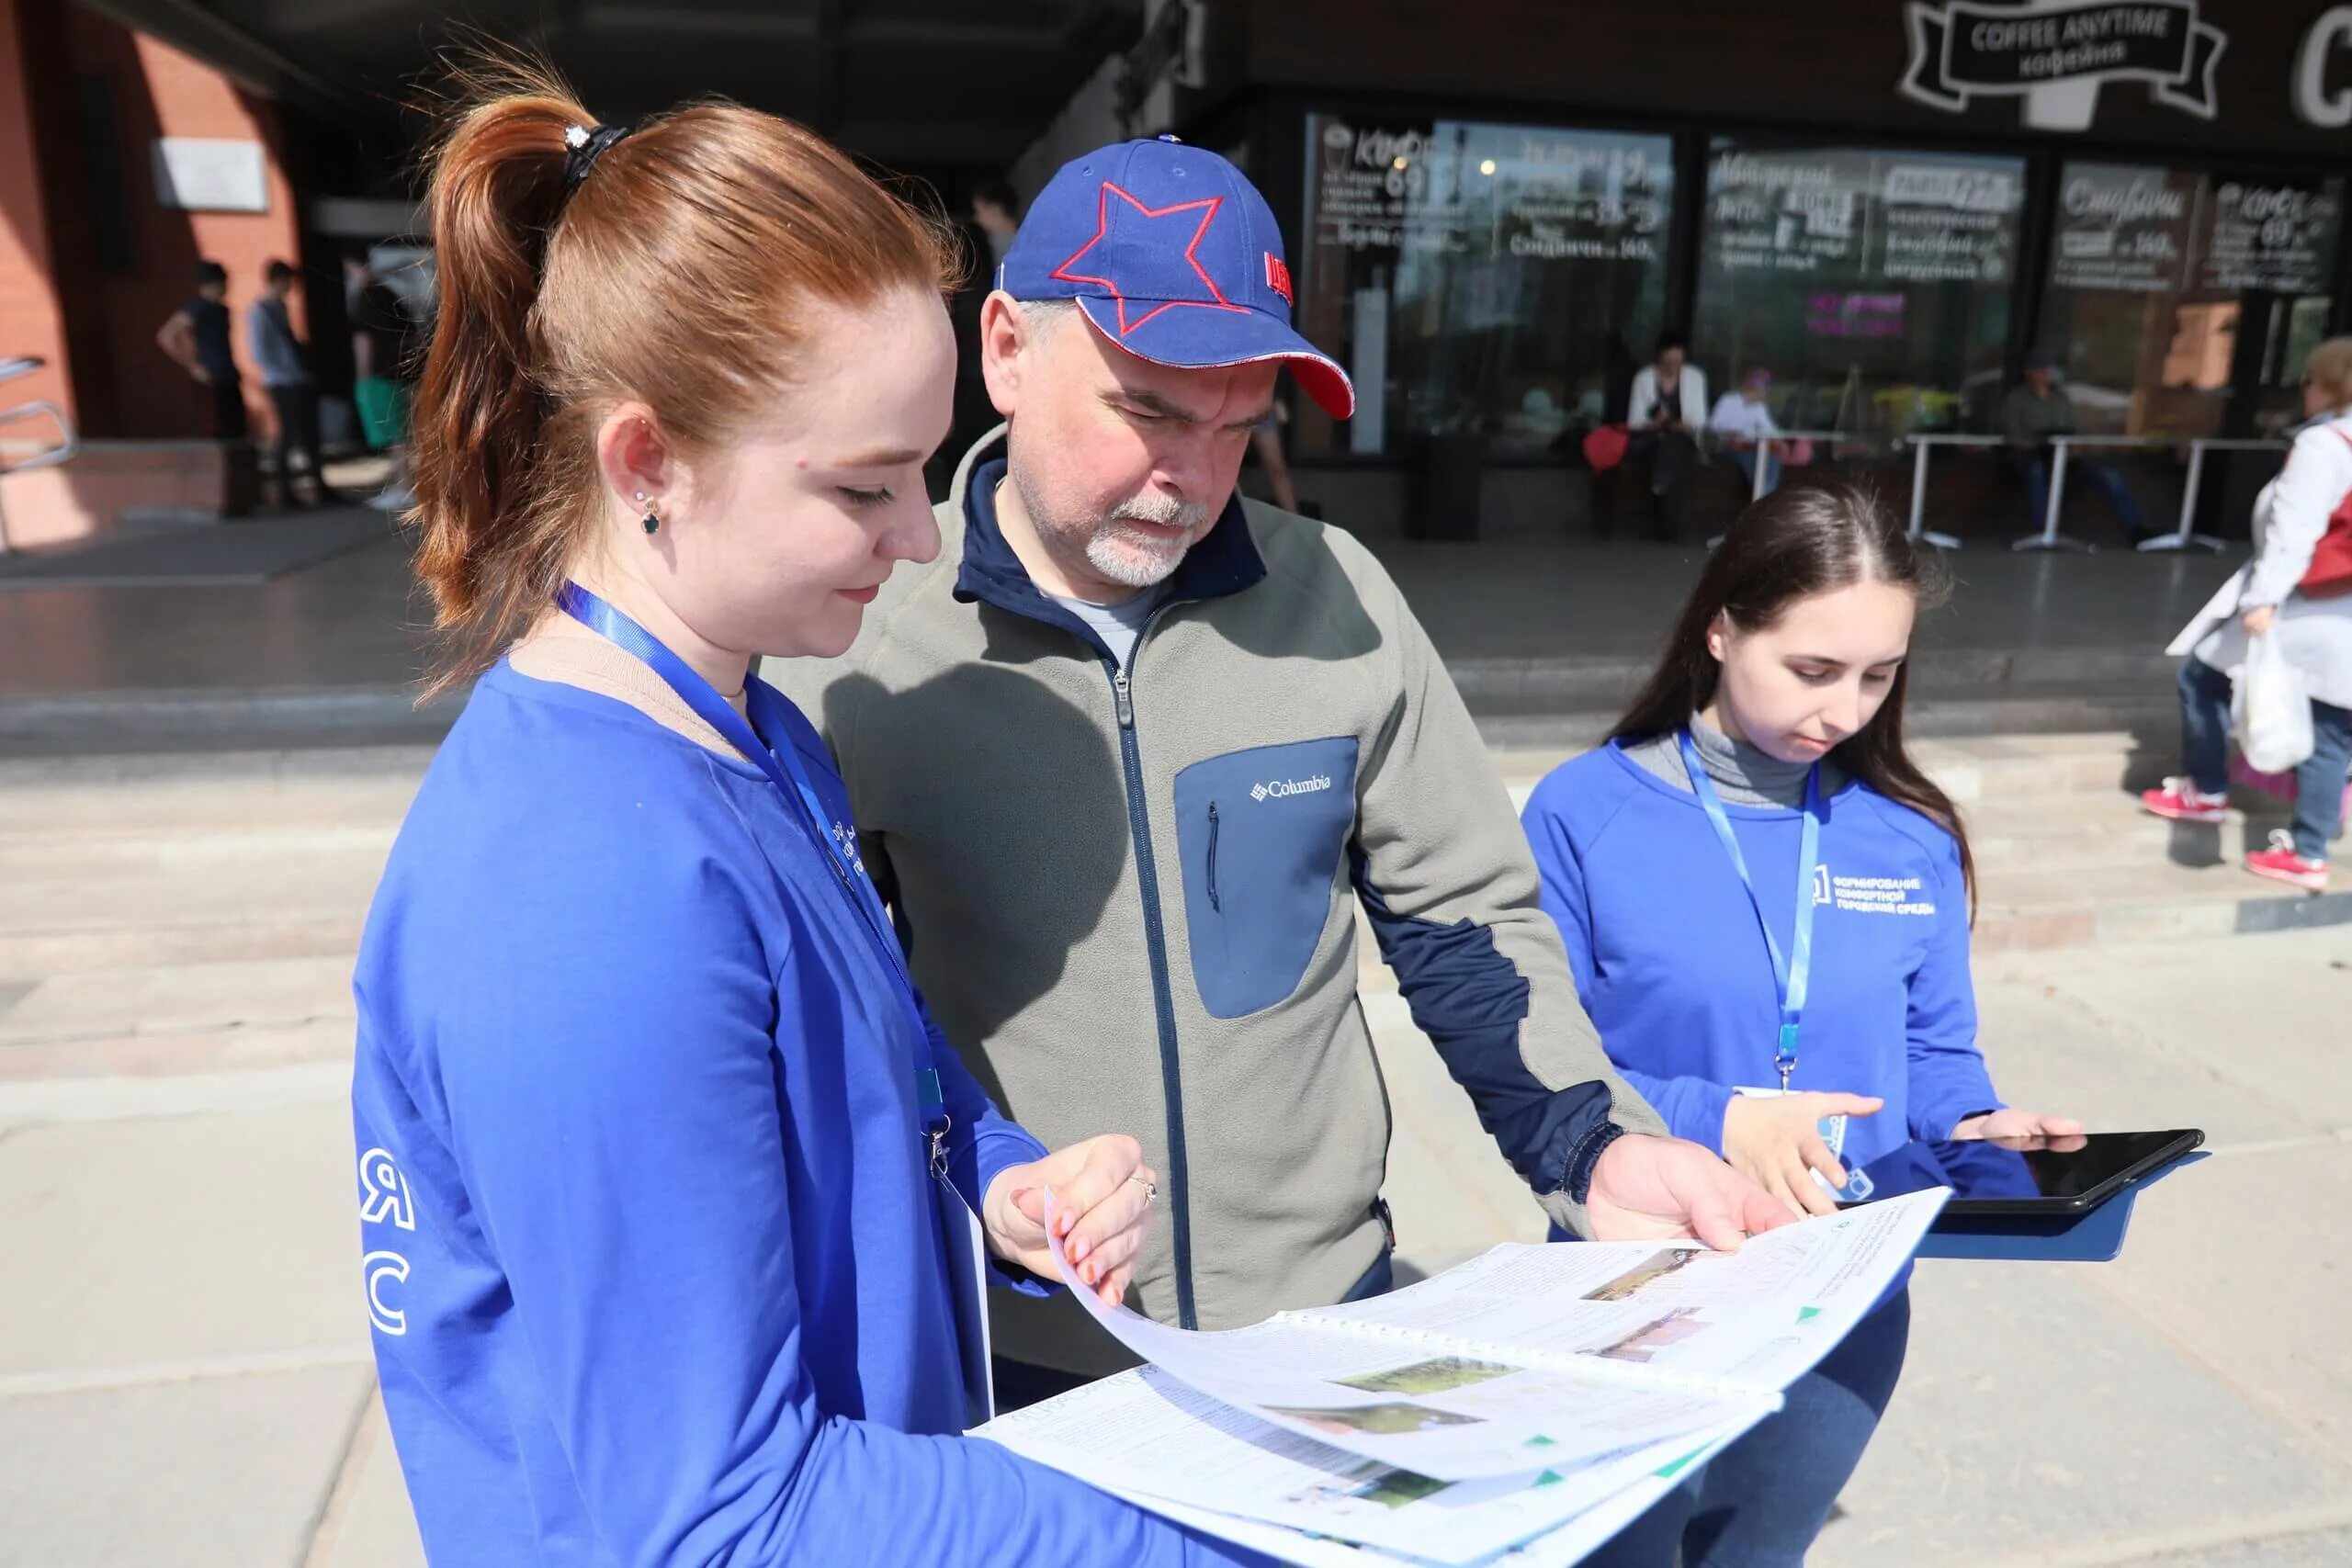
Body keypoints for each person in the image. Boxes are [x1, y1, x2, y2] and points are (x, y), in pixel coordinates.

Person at [352, 69, 1268, 1567]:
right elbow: (721, 1516)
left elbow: (878, 1079)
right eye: (866, 486)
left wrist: (995, 1174)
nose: (920, 537)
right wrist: (1229, 1531)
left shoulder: (762, 734)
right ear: (652, 463)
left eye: (921, 471)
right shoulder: (582, 888)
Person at [779, 136, 1790, 1421]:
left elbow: (1464, 922)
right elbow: (835, 1021)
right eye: (1146, 408)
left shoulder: (1342, 602)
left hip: (1328, 1333)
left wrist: (1589, 1147)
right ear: (1006, 351)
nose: (1193, 478)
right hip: (1021, 1358)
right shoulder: (861, 643)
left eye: (1238, 426)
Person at [1521, 481, 2081, 1565]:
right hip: (1640, 1283)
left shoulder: (1905, 837)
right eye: (1813, 670)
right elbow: (1547, 1069)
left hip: (1844, 1294)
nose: (1845, 710)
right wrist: (1718, 1116)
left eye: (1878, 675)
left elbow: (1934, 1057)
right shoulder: (1582, 814)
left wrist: (1977, 1126)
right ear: (1722, 627)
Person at [2143, 336, 2352, 892]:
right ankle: (2308, 849)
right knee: (2331, 728)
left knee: (2203, 677)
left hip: (2304, 602)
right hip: (2343, 610)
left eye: (2310, 379)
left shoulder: (2325, 445)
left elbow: (2294, 532)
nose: (2305, 390)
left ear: (2331, 385)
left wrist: (2262, 600)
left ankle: (2208, 790)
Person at [2001, 349, 2149, 544]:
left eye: (2048, 370)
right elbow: (2012, 436)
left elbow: (2072, 430)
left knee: (2108, 474)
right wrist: (2038, 443)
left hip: (2066, 457)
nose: (2046, 374)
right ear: (2029, 373)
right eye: (2040, 370)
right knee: (2036, 472)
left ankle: (2135, 530)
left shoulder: (2061, 398)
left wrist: (2074, 448)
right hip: (2032, 456)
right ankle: (2044, 532)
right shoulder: (2016, 399)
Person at [248, 260, 340, 507]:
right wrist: (282, 370)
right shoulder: (259, 310)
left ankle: (318, 486)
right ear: (277, 280)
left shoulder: (280, 307)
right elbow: (259, 351)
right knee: (289, 435)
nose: (290, 287)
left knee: (310, 434)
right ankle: (283, 491)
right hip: (282, 381)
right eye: (287, 282)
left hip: (299, 378)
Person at [345, 249, 418, 511]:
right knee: (403, 433)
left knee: (394, 435)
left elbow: (363, 339)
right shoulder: (391, 295)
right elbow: (412, 331)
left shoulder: (365, 297)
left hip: (379, 375)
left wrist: (362, 376)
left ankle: (404, 487)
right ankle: (404, 486)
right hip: (402, 372)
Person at [1626, 332, 1709, 541]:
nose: (1672, 366)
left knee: (1674, 445)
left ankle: (1660, 485)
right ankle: (1675, 527)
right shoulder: (1644, 378)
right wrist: (1655, 423)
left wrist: (1680, 424)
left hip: (1683, 437)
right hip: (1651, 437)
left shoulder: (1695, 377)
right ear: (1659, 358)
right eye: (1668, 361)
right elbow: (1634, 420)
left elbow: (1700, 419)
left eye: (1677, 361)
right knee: (1670, 451)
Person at [155, 260, 245, 440]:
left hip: (227, 373)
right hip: (210, 376)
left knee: (237, 430)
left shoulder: (221, 310)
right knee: (216, 430)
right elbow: (166, 335)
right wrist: (193, 366)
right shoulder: (198, 308)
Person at [1710, 367, 1783, 498]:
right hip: (1727, 447)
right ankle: (1762, 495)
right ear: (1754, 388)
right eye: (1764, 389)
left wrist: (1777, 439)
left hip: (1753, 447)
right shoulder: (1729, 400)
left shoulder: (1760, 407)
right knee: (1752, 457)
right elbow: (1714, 425)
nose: (1766, 393)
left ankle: (1766, 494)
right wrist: (1735, 433)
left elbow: (1770, 430)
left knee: (1772, 457)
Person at [971, 174, 1021, 275]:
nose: (977, 218)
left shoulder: (1013, 245)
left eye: (979, 211)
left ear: (995, 210)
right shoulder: (995, 245)